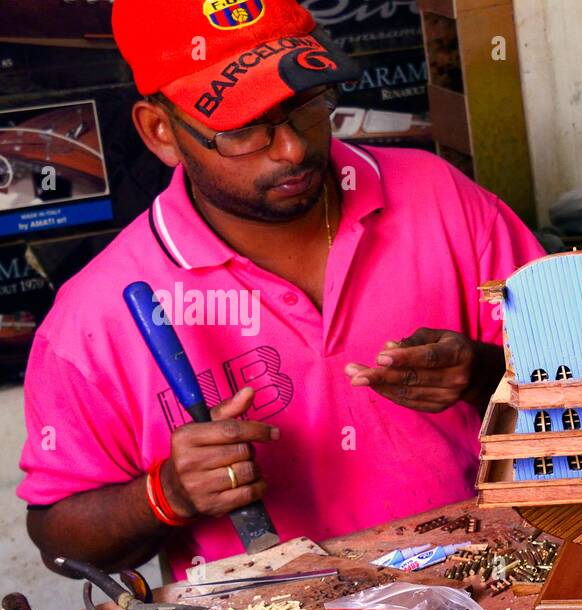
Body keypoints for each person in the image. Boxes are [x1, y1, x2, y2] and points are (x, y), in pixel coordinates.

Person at [18, 0, 543, 578]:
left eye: (304, 107)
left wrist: (487, 376)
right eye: (244, 130)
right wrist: (165, 494)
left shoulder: (440, 199)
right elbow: (60, 540)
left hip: (489, 579)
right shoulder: (95, 317)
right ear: (161, 131)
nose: (292, 149)